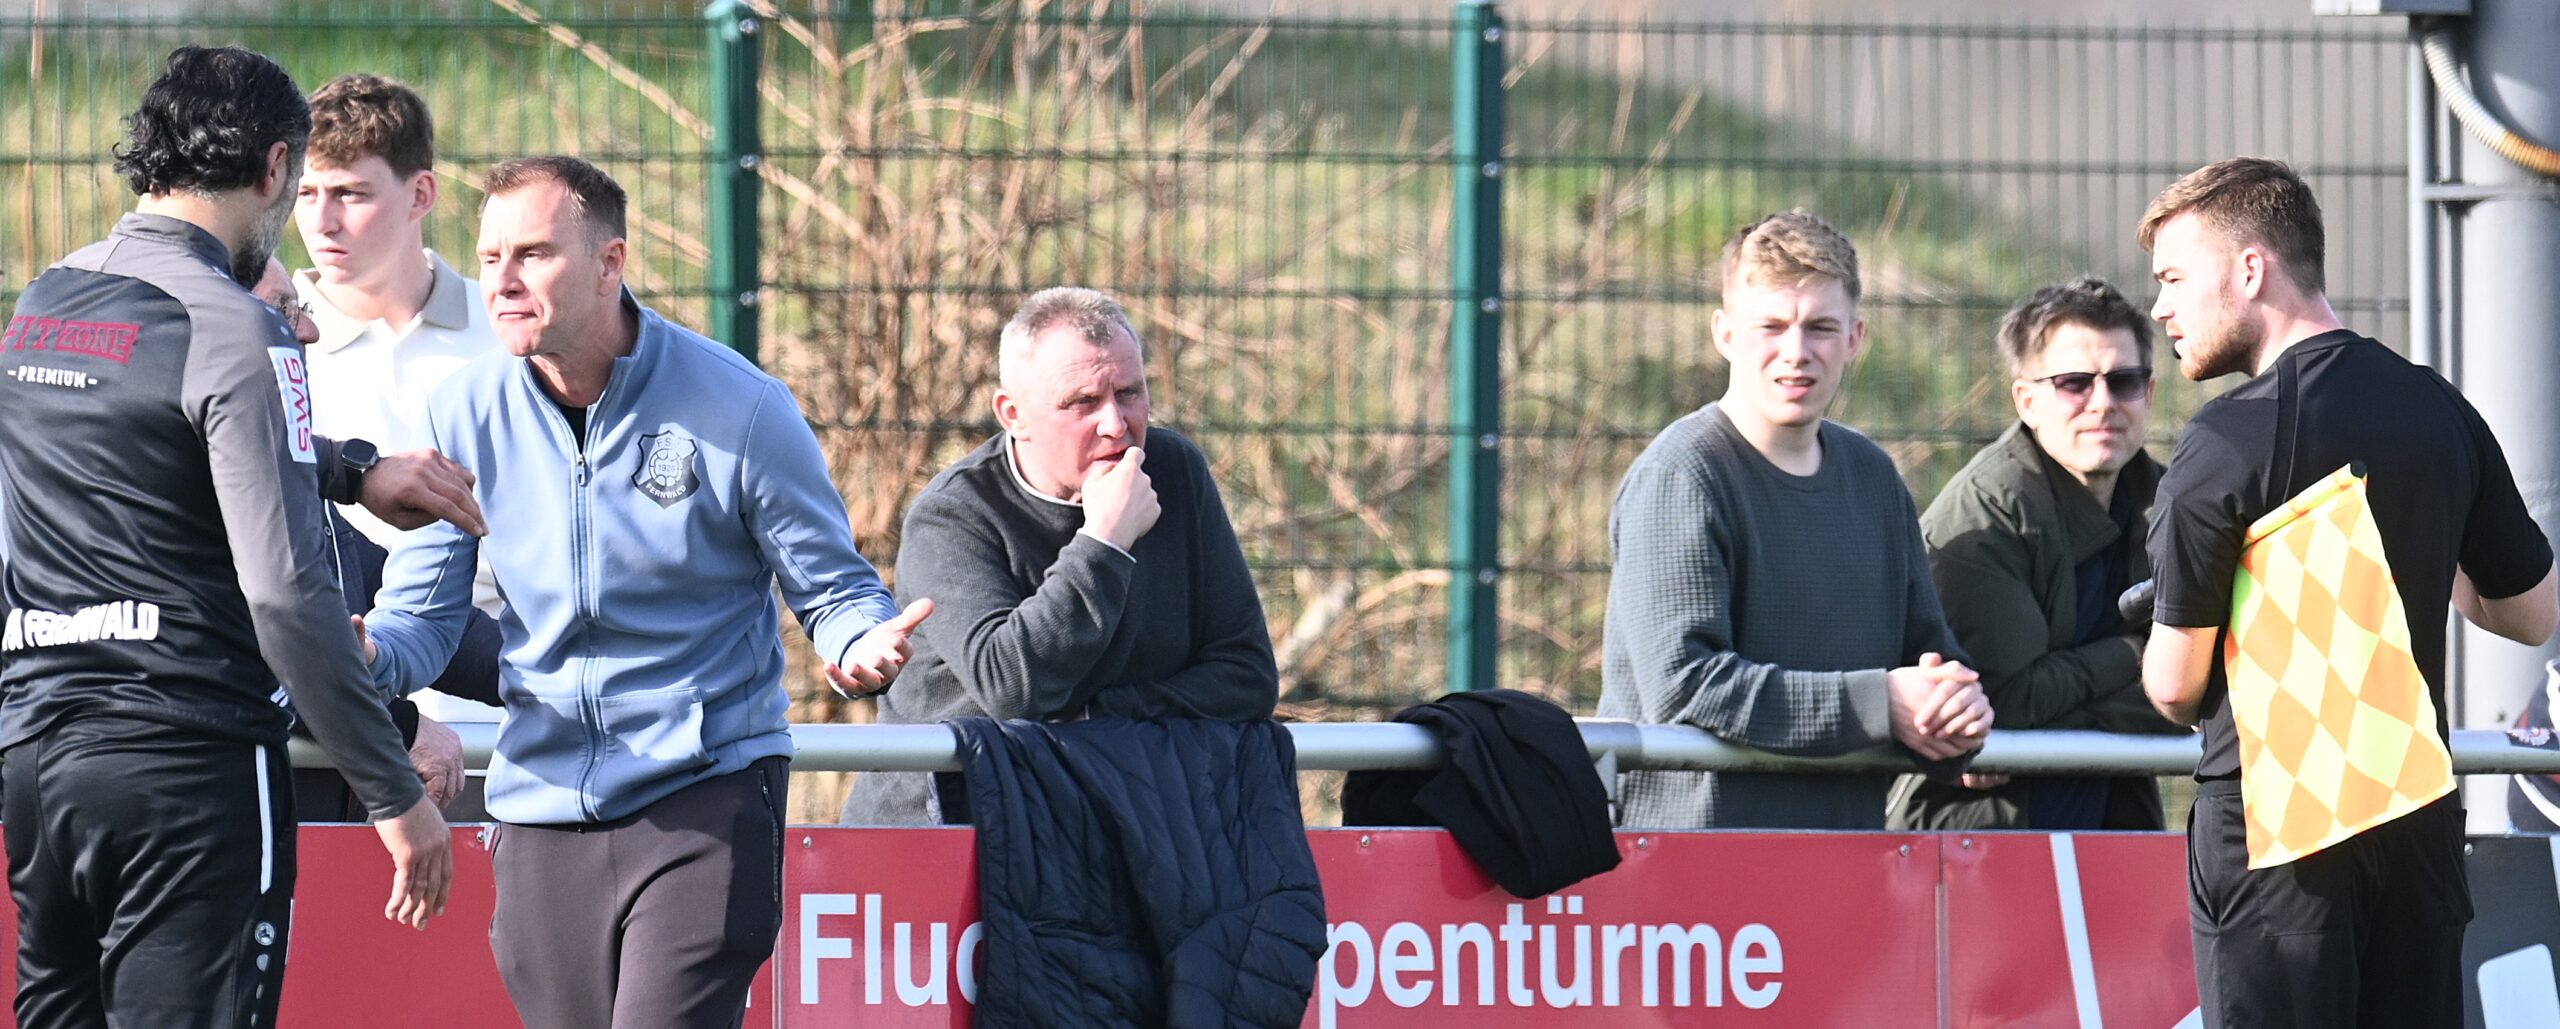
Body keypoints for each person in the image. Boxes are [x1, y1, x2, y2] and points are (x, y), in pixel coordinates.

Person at [357, 155, 924, 1028]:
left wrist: (857, 641)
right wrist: (367, 656)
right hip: (541, 804)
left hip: (705, 792)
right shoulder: (460, 412)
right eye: (490, 256)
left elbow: (834, 587)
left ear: (609, 263)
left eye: (533, 254)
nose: (501, 282)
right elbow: (423, 617)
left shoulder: (741, 405)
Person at [0, 46, 450, 1029]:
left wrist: (350, 470)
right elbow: (287, 594)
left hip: (39, 759)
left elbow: (154, 432)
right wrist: (391, 790)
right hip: (186, 766)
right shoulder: (239, 329)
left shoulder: (44, 304)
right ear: (276, 167)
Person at [2139, 157, 2558, 1027]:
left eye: (2173, 278)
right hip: (2416, 827)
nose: (2160, 308)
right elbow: (2530, 611)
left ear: (2249, 269)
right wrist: (2409, 538)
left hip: (2280, 843)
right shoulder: (2440, 410)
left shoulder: (2226, 440)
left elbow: (2175, 687)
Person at [1596, 210, 1992, 830]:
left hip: (1846, 857)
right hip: (1689, 867)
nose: (1796, 352)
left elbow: (1926, 654)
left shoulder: (1873, 477)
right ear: (1725, 334)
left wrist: (1954, 708)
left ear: (1855, 337)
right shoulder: (1681, 476)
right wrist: (1879, 704)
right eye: (1772, 326)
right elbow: (1684, 686)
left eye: (1821, 328)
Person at [839, 286, 1279, 825]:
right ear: (1013, 415)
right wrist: (1105, 542)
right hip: (950, 829)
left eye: (1129, 393)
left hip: (1115, 819)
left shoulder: (1174, 472)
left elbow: (1248, 676)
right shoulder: (953, 516)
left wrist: (1100, 716)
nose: (1116, 423)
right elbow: (1013, 688)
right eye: (1082, 403)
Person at [1890, 278, 2184, 831]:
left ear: (2148, 392)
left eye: (2123, 381)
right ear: (2026, 400)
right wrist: (2132, 654)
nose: (2102, 404)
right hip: (1977, 833)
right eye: (2075, 383)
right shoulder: (1986, 516)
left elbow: (2210, 689)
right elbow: (2005, 702)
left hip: (2113, 820)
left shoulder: (2172, 503)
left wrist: (2073, 714)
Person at [292, 73, 509, 741]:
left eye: (350, 194)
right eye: (305, 192)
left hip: (505, 704)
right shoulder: (265, 343)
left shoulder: (508, 332)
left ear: (421, 194)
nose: (322, 220)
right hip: (337, 714)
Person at [252, 257, 497, 821]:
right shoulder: (191, 484)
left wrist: (565, 674)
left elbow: (404, 601)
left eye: (300, 309)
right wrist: (398, 727)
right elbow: (245, 651)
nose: (309, 331)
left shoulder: (288, 480)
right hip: (227, 819)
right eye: (282, 312)